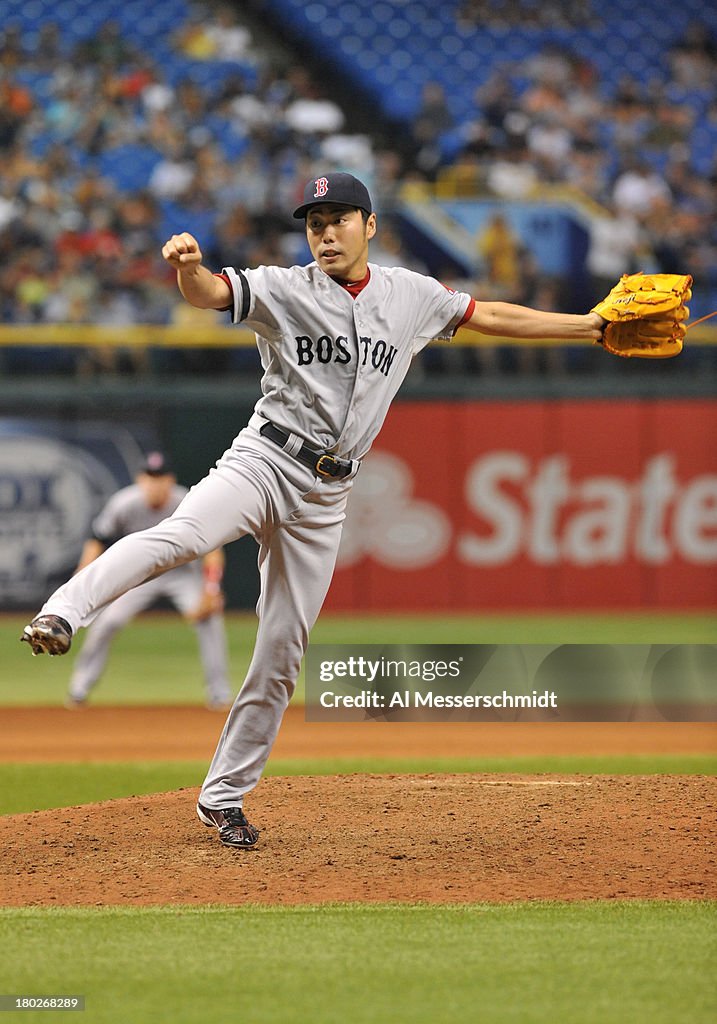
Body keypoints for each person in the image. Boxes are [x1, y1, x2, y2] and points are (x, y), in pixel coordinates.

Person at [21, 172, 605, 849]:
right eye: (314, 221)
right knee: (179, 535)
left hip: (329, 494)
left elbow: (490, 316)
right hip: (264, 461)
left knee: (282, 652)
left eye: (339, 218)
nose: (325, 231)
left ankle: (223, 798)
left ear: (370, 225)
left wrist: (588, 327)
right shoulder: (282, 287)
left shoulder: (410, 295)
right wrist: (188, 269)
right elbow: (212, 293)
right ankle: (63, 610)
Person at [64, 451, 233, 710]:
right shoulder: (124, 503)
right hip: (139, 576)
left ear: (170, 480)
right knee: (109, 620)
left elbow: (213, 548)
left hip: (181, 574)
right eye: (150, 477)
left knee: (209, 617)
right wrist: (82, 576)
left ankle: (219, 693)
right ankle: (79, 687)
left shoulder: (187, 500)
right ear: (140, 480)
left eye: (161, 477)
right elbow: (97, 539)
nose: (155, 484)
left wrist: (211, 589)